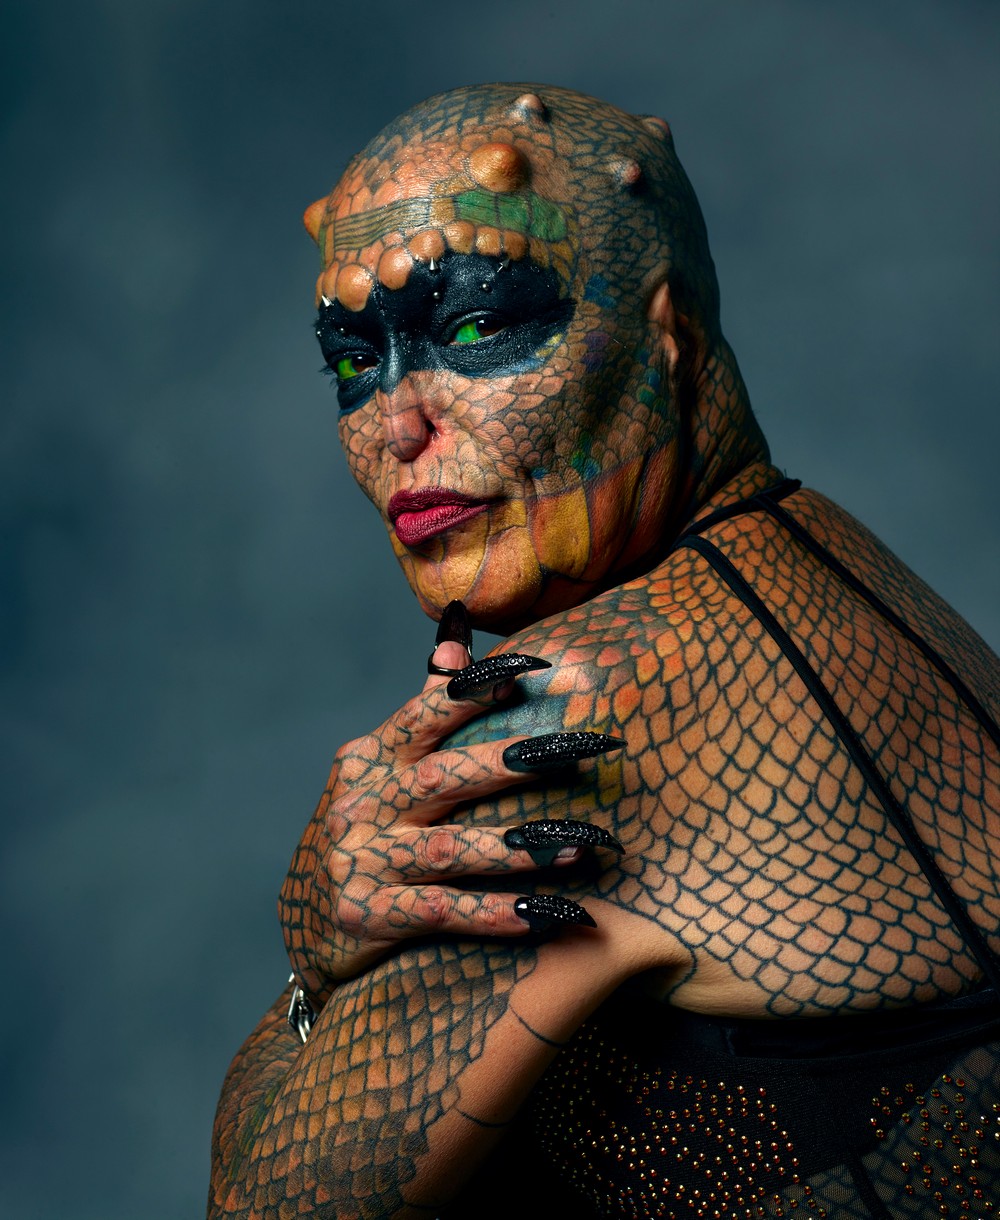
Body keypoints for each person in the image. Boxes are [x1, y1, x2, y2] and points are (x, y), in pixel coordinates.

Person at [208, 84, 1000, 1219]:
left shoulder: (582, 706)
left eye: (476, 328)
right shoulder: (829, 564)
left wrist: (315, 946)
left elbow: (264, 1204)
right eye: (354, 361)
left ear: (664, 334)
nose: (397, 422)